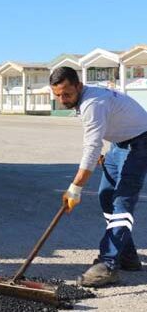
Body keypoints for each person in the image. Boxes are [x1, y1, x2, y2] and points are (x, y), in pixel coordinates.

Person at [51, 66, 147, 287]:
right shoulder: (85, 99)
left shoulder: (92, 102)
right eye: (57, 95)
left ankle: (109, 263)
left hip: (140, 141)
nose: (62, 99)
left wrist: (75, 188)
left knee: (122, 200)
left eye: (67, 94)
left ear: (79, 86)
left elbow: (92, 147)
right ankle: (127, 256)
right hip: (119, 143)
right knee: (106, 195)